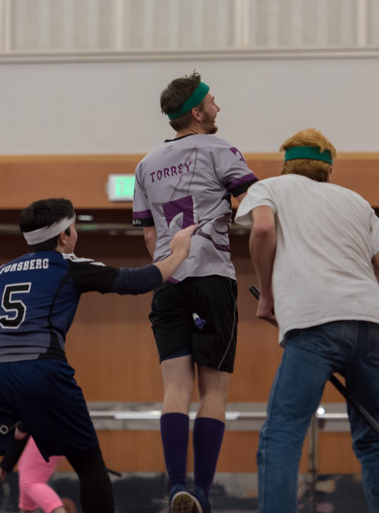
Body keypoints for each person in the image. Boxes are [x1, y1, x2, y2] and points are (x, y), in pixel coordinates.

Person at [0, 198, 196, 513]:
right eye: (75, 227)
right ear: (64, 236)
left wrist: (4, 368)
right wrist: (179, 252)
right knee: (87, 461)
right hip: (42, 369)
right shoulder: (67, 265)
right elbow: (136, 281)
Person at [233, 128, 379, 513]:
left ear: (286, 166)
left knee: (282, 434)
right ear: (328, 171)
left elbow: (262, 228)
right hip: (374, 325)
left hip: (316, 321)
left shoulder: (269, 188)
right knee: (374, 440)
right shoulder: (357, 203)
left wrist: (268, 293)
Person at [133, 73, 257, 513]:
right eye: (213, 102)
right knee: (214, 392)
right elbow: (254, 208)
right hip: (212, 278)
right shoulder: (221, 150)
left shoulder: (146, 164)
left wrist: (169, 267)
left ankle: (174, 486)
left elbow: (150, 235)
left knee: (175, 388)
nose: (218, 107)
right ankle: (201, 492)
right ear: (198, 113)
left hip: (167, 282)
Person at [0, 423, 68, 513]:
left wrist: (21, 427)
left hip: (48, 429)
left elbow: (21, 432)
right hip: (54, 430)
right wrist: (4, 465)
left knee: (30, 482)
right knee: (25, 473)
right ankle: (26, 509)